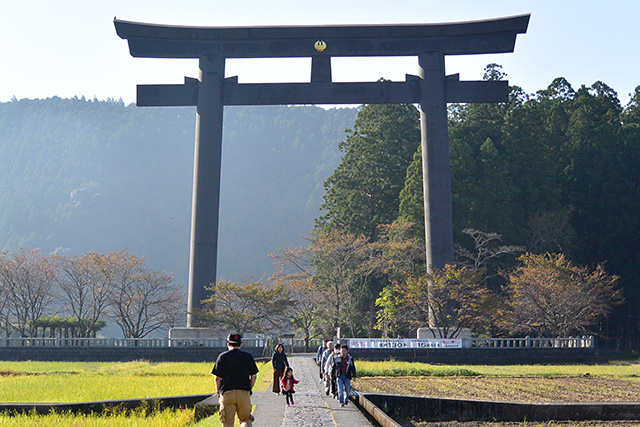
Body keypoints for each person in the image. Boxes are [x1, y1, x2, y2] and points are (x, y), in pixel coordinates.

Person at [212, 333, 259, 427]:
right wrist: (248, 389)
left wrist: (218, 392)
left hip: (228, 393)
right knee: (246, 420)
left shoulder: (222, 357)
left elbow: (217, 378)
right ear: (240, 344)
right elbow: (254, 376)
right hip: (244, 393)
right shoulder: (248, 356)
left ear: (228, 344)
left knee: (227, 422)